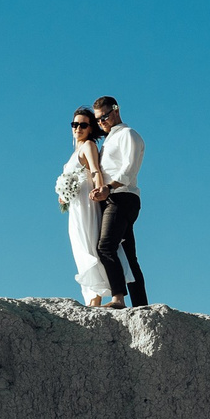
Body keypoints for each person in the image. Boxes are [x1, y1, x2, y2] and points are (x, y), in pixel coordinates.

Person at [90, 95, 146, 309]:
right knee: (129, 255)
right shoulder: (109, 139)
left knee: (105, 247)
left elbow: (129, 169)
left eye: (104, 116)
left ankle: (117, 298)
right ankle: (141, 305)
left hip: (122, 197)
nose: (102, 122)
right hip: (114, 197)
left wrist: (109, 187)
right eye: (98, 119)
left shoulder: (128, 135)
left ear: (116, 110)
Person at [61, 108, 109, 306]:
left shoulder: (88, 145)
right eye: (75, 124)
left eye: (83, 125)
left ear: (91, 128)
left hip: (87, 205)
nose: (78, 128)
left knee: (88, 246)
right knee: (79, 248)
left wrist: (100, 190)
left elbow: (95, 170)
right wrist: (64, 195)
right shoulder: (75, 151)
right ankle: (90, 298)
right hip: (75, 208)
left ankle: (95, 298)